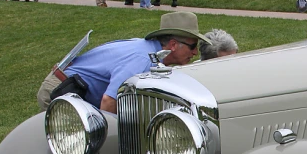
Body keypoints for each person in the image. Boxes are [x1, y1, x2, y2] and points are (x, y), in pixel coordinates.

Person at [37, 12, 208, 113]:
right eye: (193, 46)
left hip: (74, 90)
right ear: (173, 45)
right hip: (60, 90)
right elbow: (109, 102)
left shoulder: (148, 51)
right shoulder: (142, 60)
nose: (195, 52)